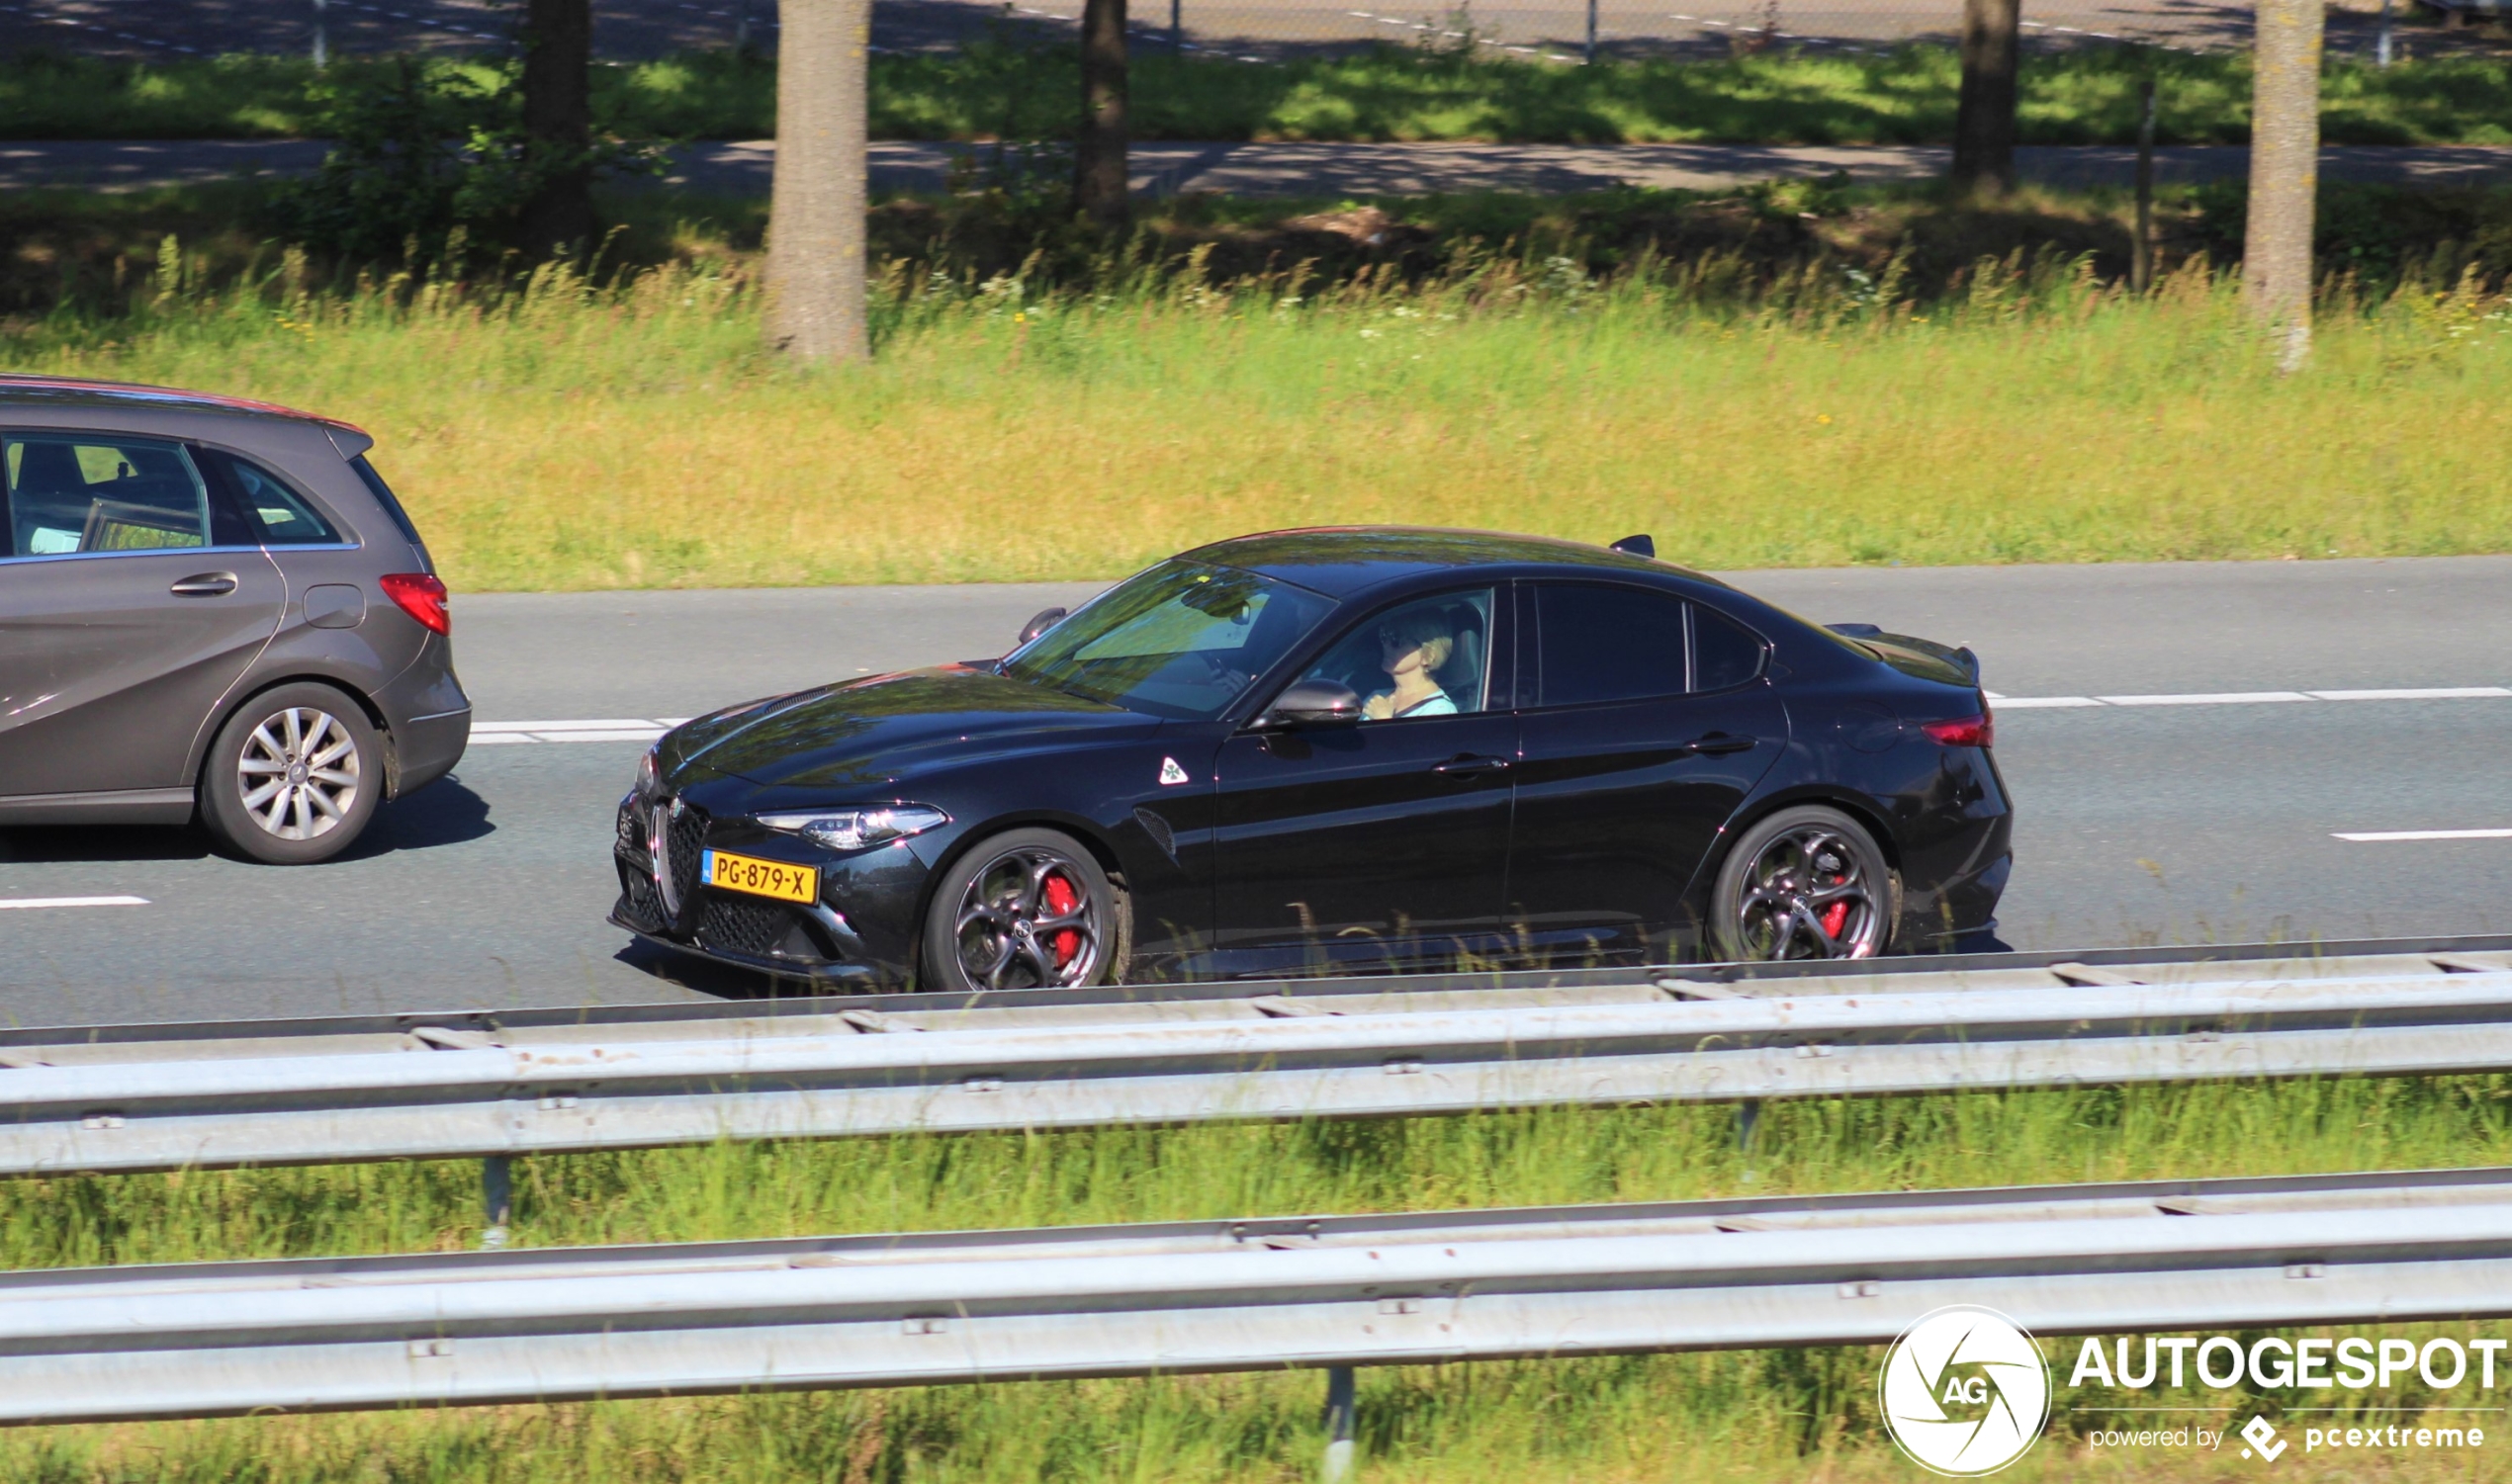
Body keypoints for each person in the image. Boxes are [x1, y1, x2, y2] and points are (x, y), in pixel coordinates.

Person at [1362, 611, 1459, 720]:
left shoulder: (1440, 710)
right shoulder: (1376, 697)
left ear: (1428, 655)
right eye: (1384, 635)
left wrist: (1383, 719)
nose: (1386, 644)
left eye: (1396, 639)